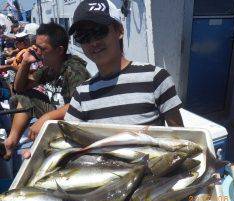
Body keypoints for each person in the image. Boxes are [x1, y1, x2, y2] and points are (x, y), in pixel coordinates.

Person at [65, 0, 183, 127]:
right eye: (83, 36)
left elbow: (178, 137)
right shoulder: (81, 94)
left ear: (119, 31)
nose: (93, 42)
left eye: (99, 31)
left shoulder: (156, 78)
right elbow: (69, 136)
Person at [2, 22, 90, 160]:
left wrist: (45, 118)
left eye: (42, 49)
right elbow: (19, 88)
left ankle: (11, 143)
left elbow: (81, 104)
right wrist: (26, 62)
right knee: (23, 96)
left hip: (73, 124)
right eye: (36, 47)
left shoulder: (74, 70)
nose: (37, 52)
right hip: (57, 116)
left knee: (26, 98)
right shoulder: (50, 68)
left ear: (59, 50)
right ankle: (11, 143)